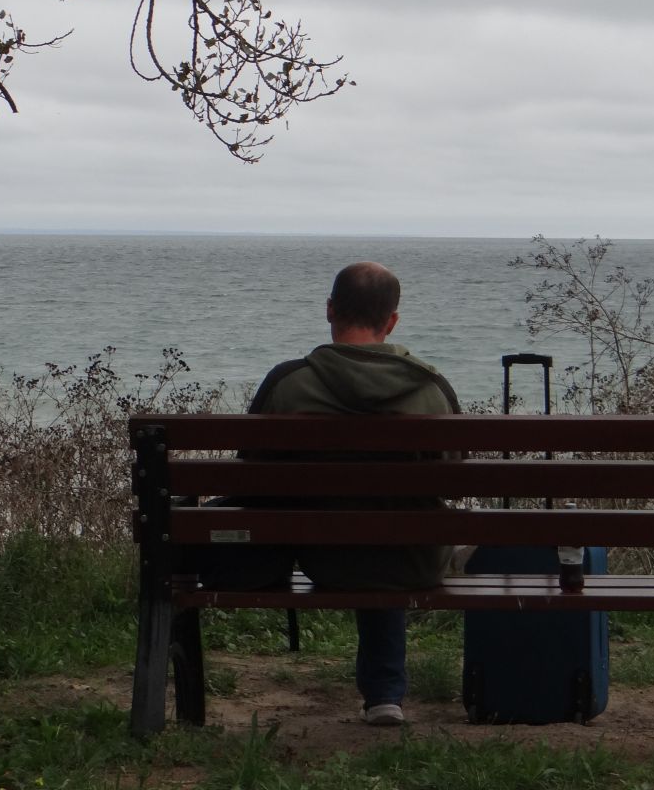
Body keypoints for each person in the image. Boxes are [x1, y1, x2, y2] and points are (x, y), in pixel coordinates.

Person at [193, 261, 460, 727]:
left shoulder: (288, 383)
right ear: (392, 320)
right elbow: (453, 481)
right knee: (390, 523)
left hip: (320, 554)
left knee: (223, 519)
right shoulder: (431, 389)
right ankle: (384, 695)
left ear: (330, 310)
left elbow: (249, 477)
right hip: (410, 560)